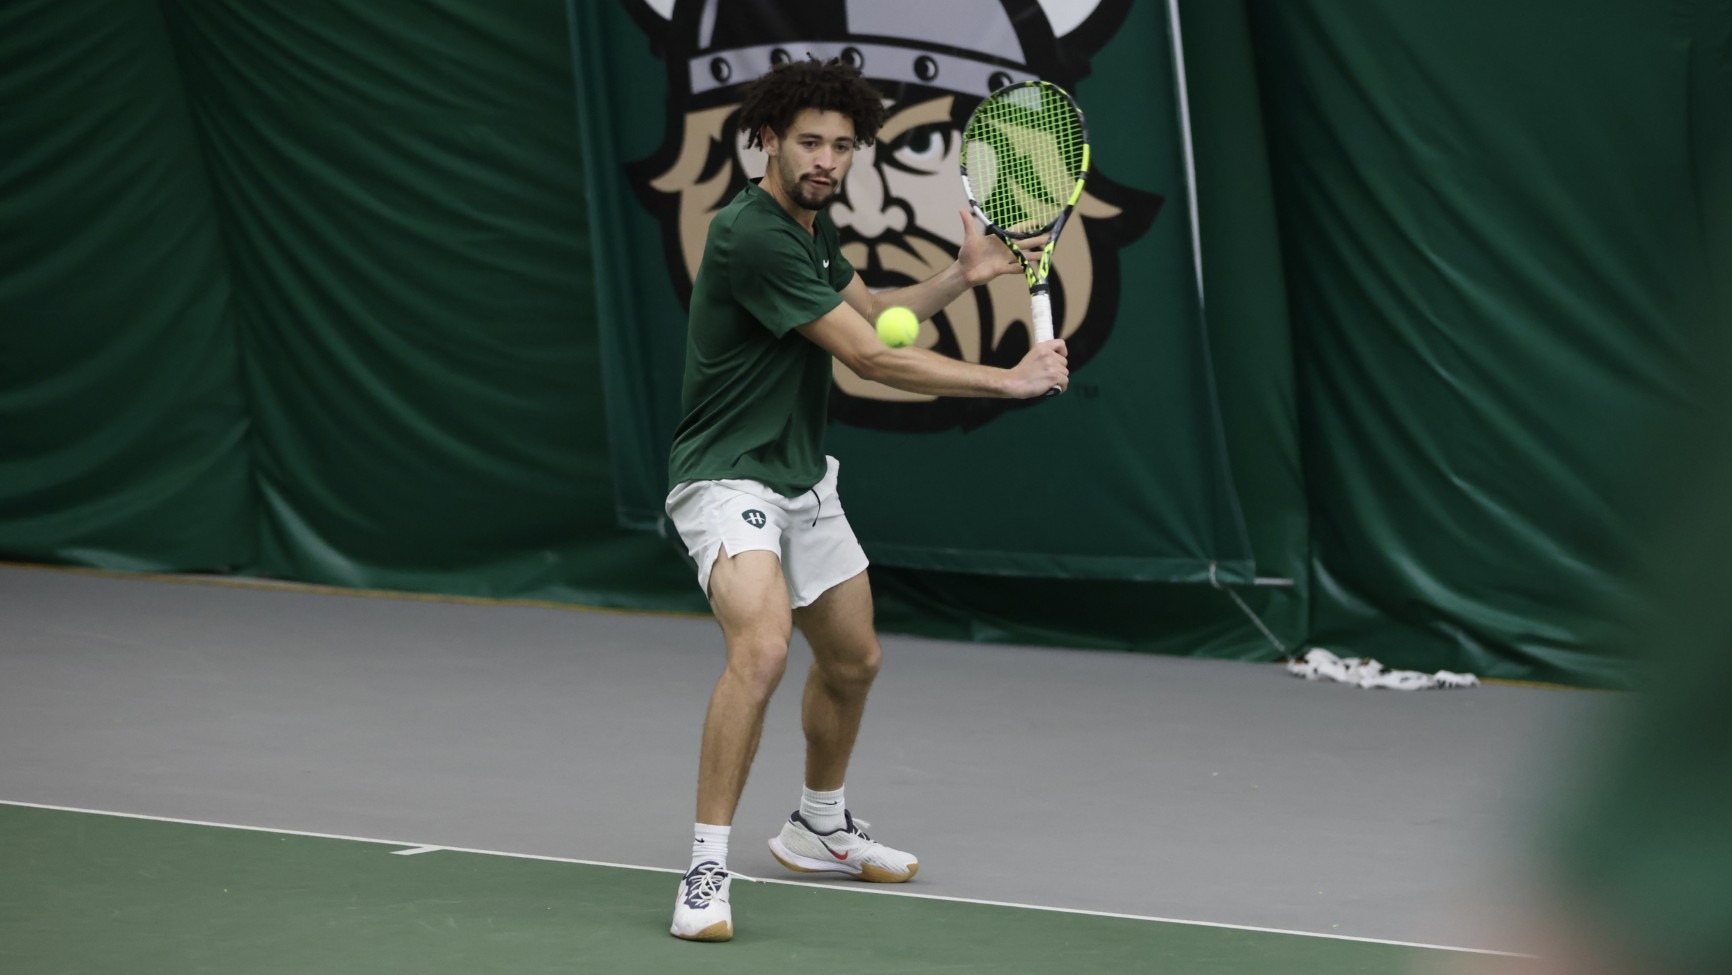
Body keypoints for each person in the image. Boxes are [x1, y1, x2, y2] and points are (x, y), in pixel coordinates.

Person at [663, 56, 1069, 942]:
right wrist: (1008, 380)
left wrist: (963, 275)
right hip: (728, 475)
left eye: (843, 146)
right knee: (763, 650)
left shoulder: (808, 230)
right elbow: (873, 357)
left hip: (801, 475)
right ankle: (704, 865)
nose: (827, 160)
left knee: (853, 661)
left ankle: (818, 825)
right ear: (765, 139)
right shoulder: (753, 233)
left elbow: (878, 310)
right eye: (810, 142)